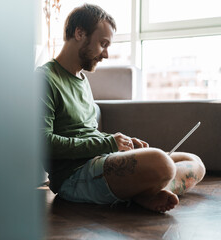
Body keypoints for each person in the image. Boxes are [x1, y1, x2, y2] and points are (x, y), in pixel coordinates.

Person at [36, 3, 206, 212]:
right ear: (79, 33)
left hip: (100, 163)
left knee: (194, 162)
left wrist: (120, 142)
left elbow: (87, 133)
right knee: (162, 163)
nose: (106, 54)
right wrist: (107, 144)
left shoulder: (81, 79)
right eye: (103, 43)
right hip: (74, 176)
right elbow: (43, 143)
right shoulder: (44, 79)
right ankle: (143, 192)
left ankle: (142, 193)